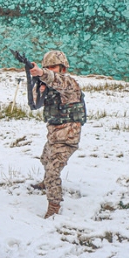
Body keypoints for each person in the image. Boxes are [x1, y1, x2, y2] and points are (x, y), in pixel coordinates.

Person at [28, 51, 85, 218]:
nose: (50, 70)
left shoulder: (69, 83)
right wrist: (39, 86)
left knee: (53, 172)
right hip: (54, 135)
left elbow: (57, 80)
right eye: (47, 67)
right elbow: (35, 103)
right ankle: (46, 184)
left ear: (63, 69)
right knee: (45, 159)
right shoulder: (49, 85)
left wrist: (42, 73)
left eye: (53, 67)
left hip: (67, 137)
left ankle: (54, 205)